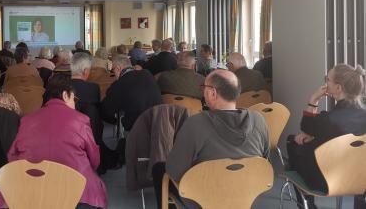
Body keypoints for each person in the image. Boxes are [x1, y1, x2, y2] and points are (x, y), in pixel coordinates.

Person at [152, 70, 270, 209]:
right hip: (247, 192)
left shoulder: (195, 124)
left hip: (203, 197)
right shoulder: (259, 120)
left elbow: (174, 171)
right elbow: (264, 160)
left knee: (159, 169)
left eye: (204, 87)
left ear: (212, 93)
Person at [0, 74, 107, 209]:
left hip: (31, 188)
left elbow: (13, 156)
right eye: (74, 99)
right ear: (65, 95)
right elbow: (94, 159)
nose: (75, 103)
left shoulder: (27, 120)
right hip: (74, 190)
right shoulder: (80, 119)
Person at [287, 64, 366, 209]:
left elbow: (305, 126)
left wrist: (314, 99)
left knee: (292, 142)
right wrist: (315, 138)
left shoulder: (328, 120)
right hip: (359, 177)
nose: (325, 83)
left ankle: (308, 205)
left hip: (326, 180)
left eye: (327, 79)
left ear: (338, 88)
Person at [101, 55, 162, 132]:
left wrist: (115, 121)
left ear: (118, 68)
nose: (114, 74)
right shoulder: (147, 74)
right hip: (159, 122)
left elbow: (106, 110)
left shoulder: (119, 84)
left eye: (113, 70)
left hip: (137, 128)